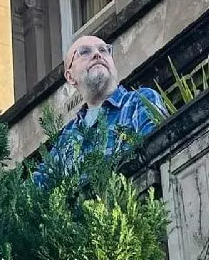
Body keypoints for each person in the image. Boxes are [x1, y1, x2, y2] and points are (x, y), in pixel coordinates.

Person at [33, 35, 167, 188]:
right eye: (84, 52)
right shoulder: (64, 141)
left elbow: (158, 153)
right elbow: (31, 196)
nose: (97, 54)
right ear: (70, 77)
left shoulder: (139, 101)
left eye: (104, 50)